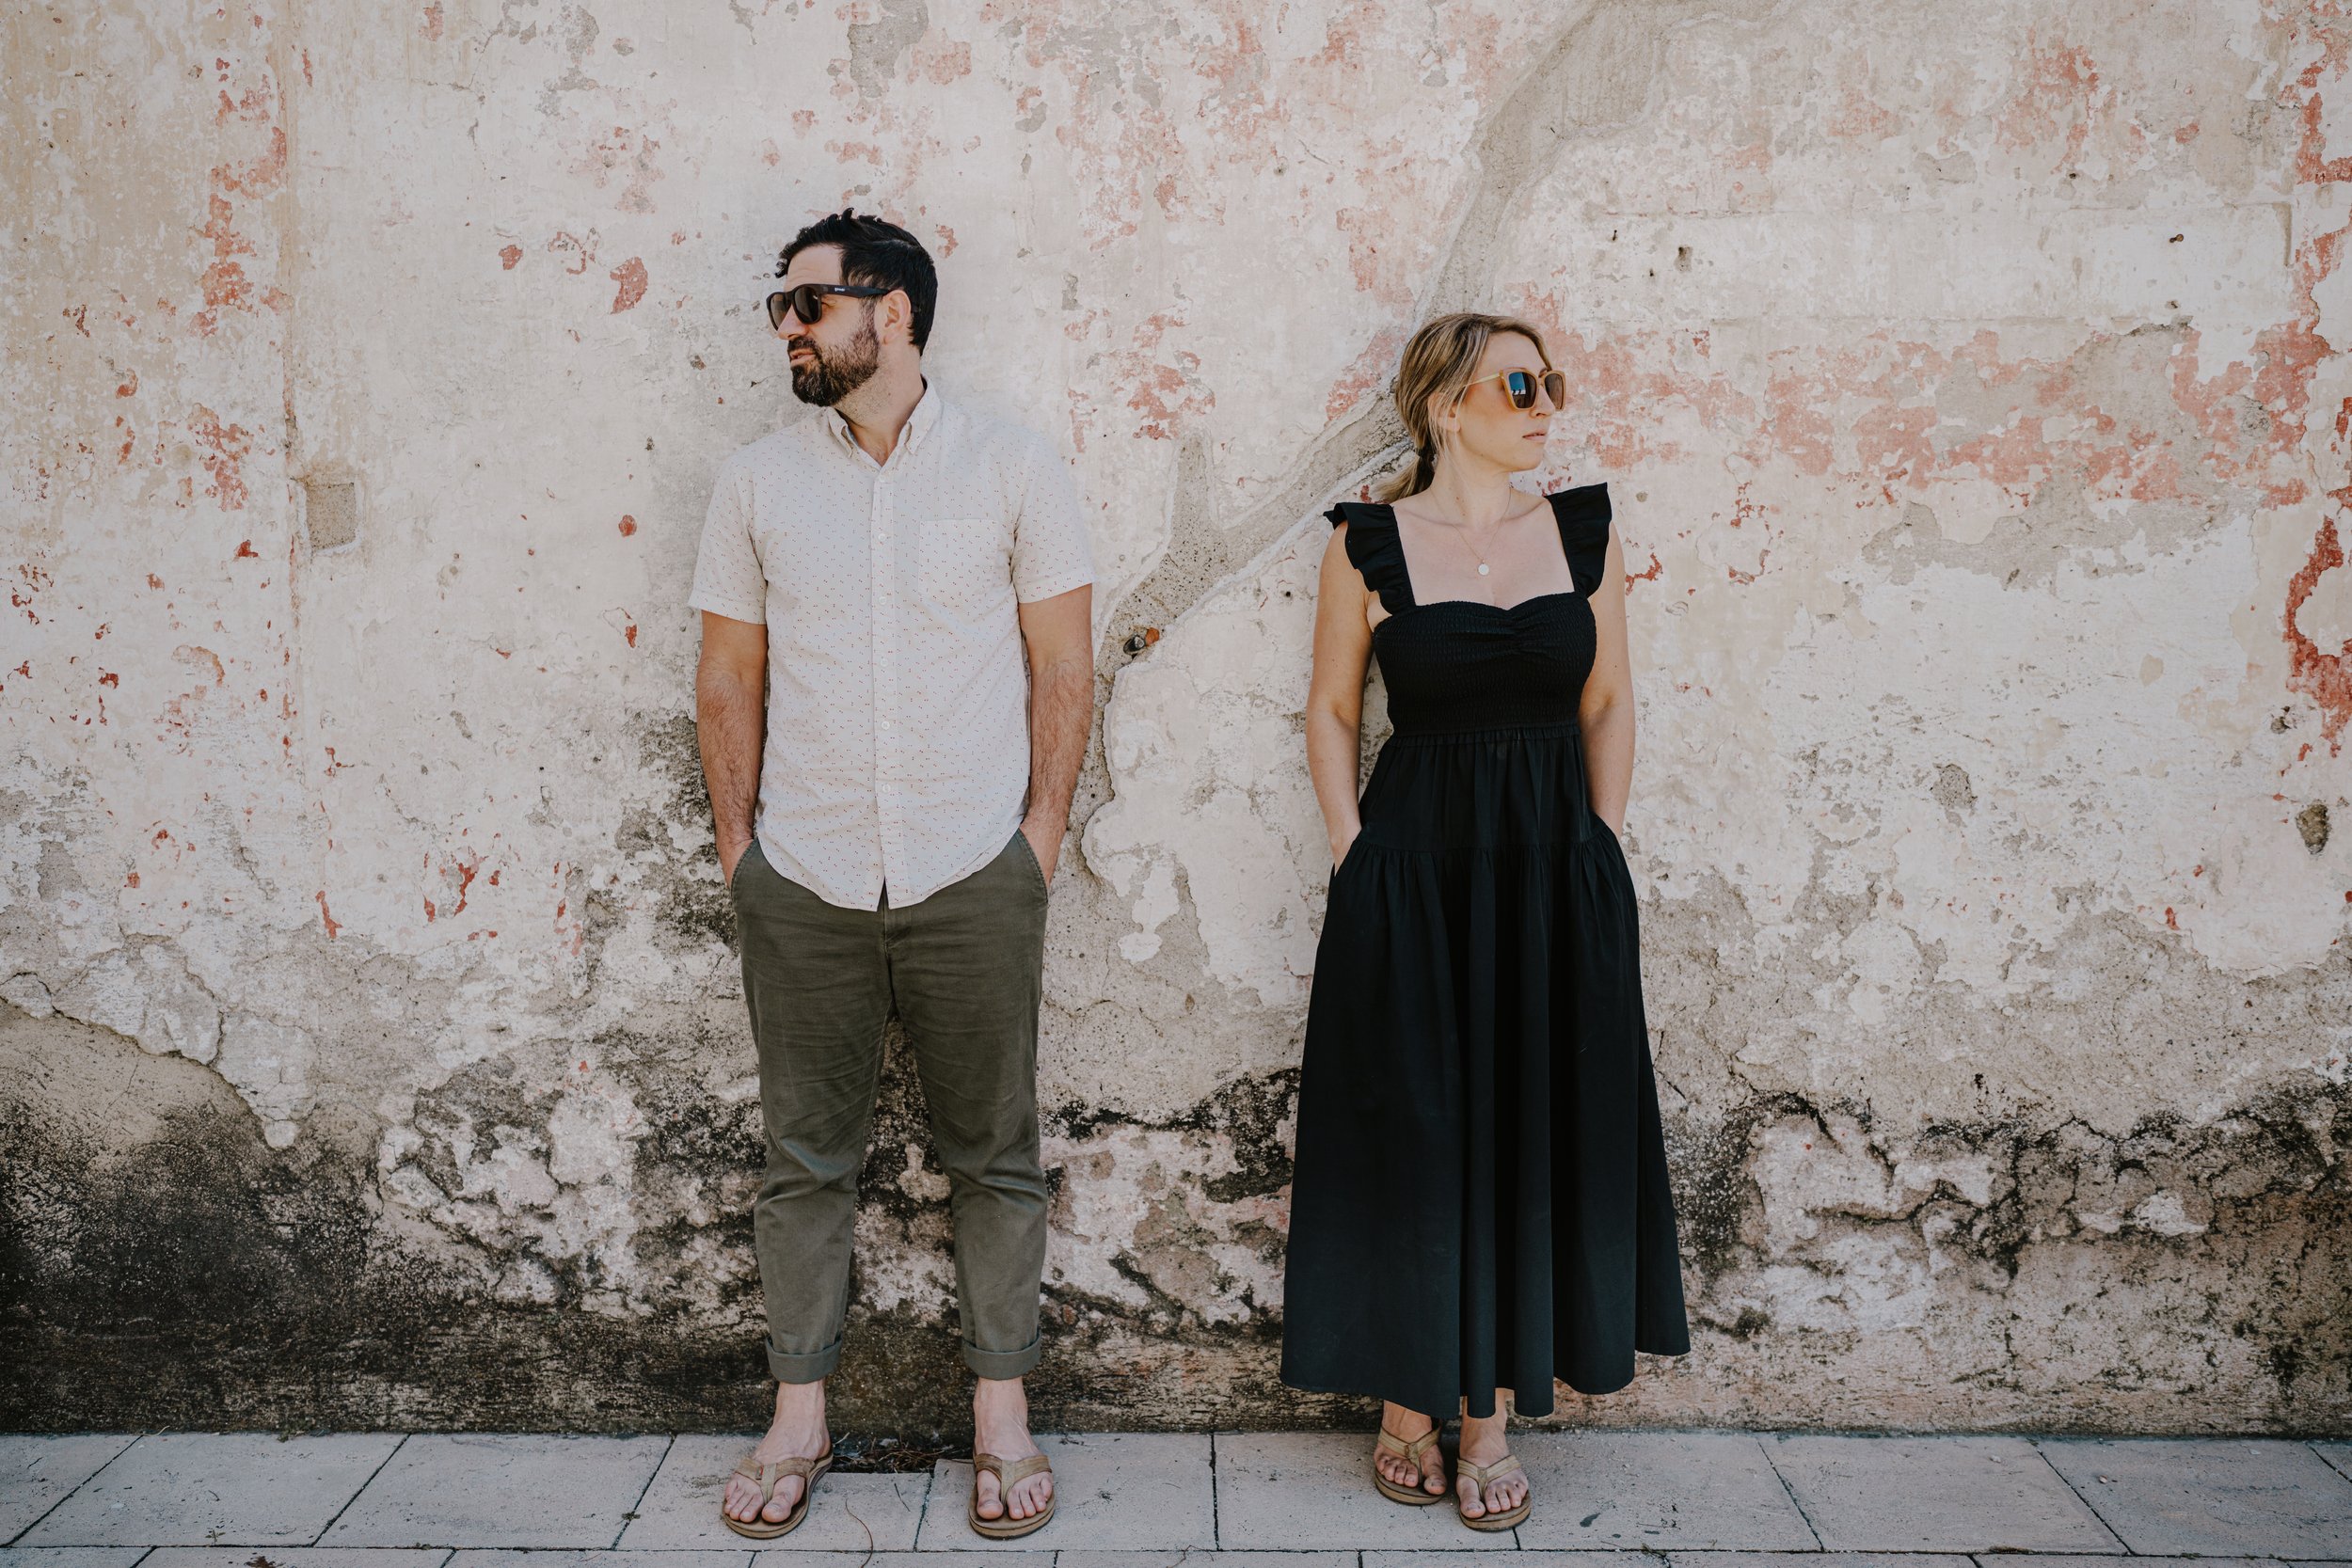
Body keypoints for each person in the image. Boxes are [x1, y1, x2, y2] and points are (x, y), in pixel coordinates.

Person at [690, 209, 1095, 1542]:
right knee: (804, 1160)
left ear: (895, 313)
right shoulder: (757, 483)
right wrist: (743, 856)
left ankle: (1002, 1417)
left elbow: (1063, 666)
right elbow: (728, 677)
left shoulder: (1013, 467)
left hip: (973, 868)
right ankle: (797, 1418)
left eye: (808, 305)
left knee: (996, 1154)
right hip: (802, 874)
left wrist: (1036, 843)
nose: (788, 330)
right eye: (782, 308)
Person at [1279, 311, 1691, 1531]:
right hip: (1414, 875)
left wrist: (1597, 844)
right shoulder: (1366, 545)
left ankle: (1489, 1417)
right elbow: (1331, 709)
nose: (1545, 403)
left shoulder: (1581, 534)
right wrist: (1356, 850)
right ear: (1444, 406)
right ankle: (1410, 1394)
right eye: (1520, 385)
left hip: (1553, 872)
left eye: (1549, 382)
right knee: (1417, 1129)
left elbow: (1609, 699)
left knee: (1529, 1127)